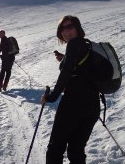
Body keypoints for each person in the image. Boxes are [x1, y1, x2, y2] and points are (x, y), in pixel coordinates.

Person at [41, 15, 100, 164]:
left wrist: (52, 96)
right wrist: (65, 58)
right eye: (62, 28)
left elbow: (66, 73)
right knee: (76, 150)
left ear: (77, 28)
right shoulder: (87, 45)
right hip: (92, 106)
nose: (65, 31)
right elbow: (80, 67)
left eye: (70, 27)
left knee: (55, 149)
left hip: (73, 104)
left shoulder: (74, 45)